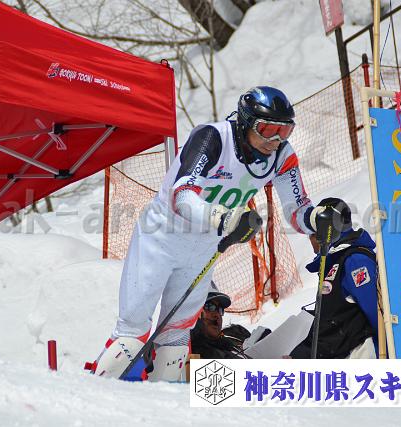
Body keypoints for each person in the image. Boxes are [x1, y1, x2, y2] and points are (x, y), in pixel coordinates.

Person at [91, 86, 341, 381]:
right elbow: (182, 195)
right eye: (267, 130)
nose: (275, 140)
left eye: (284, 131)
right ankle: (98, 393)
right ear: (246, 122)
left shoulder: (281, 155)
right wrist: (223, 218)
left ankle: (159, 402)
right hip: (161, 238)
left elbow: (297, 209)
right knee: (132, 332)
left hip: (203, 249)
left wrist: (316, 219)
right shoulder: (213, 138)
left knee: (175, 339)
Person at [290, 198, 379, 359]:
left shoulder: (355, 261)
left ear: (327, 229)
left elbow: (376, 312)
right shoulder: (334, 262)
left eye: (313, 232)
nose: (311, 238)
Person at [190, 282, 257, 359]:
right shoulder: (188, 353)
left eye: (220, 309)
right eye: (210, 306)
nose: (217, 315)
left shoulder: (226, 346)